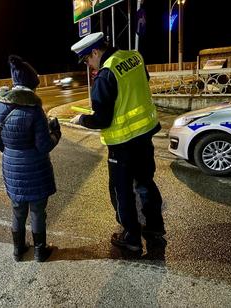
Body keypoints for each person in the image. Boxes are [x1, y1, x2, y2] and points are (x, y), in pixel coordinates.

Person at [70, 32, 166, 254]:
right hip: (144, 135)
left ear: (95, 52)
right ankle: (155, 227)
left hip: (122, 143)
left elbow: (101, 119)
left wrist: (82, 119)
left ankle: (131, 236)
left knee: (121, 190)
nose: (88, 65)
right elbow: (141, 84)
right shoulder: (135, 57)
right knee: (145, 183)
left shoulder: (105, 75)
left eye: (87, 60)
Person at [0, 55, 61, 262]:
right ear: (32, 85)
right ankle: (40, 251)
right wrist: (56, 133)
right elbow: (44, 145)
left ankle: (18, 250)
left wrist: (13, 151)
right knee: (38, 211)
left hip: (11, 166)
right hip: (36, 168)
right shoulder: (34, 109)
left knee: (18, 210)